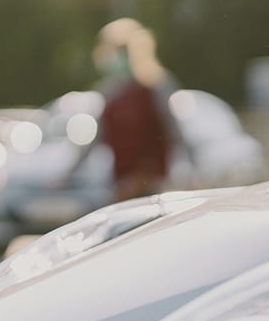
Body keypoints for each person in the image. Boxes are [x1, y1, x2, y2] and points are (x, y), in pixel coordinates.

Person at [62, 17, 183, 202]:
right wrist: (67, 176)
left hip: (152, 187)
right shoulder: (109, 91)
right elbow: (97, 137)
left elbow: (173, 133)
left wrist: (147, 177)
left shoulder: (155, 87)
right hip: (121, 186)